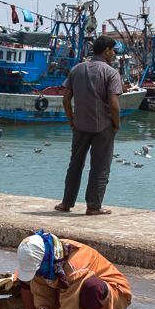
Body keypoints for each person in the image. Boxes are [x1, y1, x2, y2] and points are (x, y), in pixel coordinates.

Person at [55, 36, 122, 216]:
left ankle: (66, 203)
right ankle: (93, 206)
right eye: (113, 50)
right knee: (100, 167)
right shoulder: (111, 73)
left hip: (80, 125)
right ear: (107, 50)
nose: (114, 54)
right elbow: (114, 104)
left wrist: (71, 122)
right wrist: (117, 125)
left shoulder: (77, 69)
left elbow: (66, 99)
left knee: (75, 164)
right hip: (103, 126)